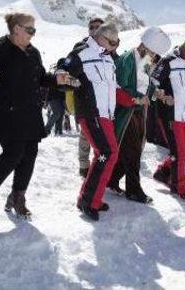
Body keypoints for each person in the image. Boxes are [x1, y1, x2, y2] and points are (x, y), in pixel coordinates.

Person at [0, 13, 75, 222]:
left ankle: (18, 196)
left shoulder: (33, 53)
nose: (33, 34)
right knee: (13, 153)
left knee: (29, 154)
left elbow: (41, 78)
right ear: (16, 28)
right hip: (6, 112)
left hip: (30, 112)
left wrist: (57, 79)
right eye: (30, 30)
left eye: (34, 30)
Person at [59, 23, 120, 221]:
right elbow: (63, 67)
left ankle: (90, 197)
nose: (114, 46)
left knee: (105, 154)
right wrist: (64, 75)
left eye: (117, 42)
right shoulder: (83, 51)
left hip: (106, 114)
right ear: (100, 37)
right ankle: (88, 200)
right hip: (91, 112)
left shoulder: (108, 58)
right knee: (107, 153)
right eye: (112, 41)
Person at [108, 27, 171, 203]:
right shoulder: (128, 59)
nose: (154, 57)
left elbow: (144, 85)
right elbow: (119, 87)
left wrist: (156, 93)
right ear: (145, 46)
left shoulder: (144, 61)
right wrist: (138, 98)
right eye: (153, 52)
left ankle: (111, 180)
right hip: (126, 113)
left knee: (129, 151)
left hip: (137, 112)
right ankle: (133, 190)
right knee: (133, 152)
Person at [151, 35, 185, 201]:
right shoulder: (168, 62)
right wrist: (163, 96)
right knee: (179, 153)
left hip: (184, 115)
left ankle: (163, 171)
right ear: (184, 47)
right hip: (169, 115)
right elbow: (152, 82)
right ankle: (179, 187)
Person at [74, 17, 104, 178]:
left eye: (98, 27)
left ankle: (99, 167)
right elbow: (69, 66)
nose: (94, 30)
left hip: (104, 104)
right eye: (91, 27)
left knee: (102, 138)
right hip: (86, 100)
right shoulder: (81, 47)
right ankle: (84, 166)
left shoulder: (108, 49)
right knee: (86, 135)